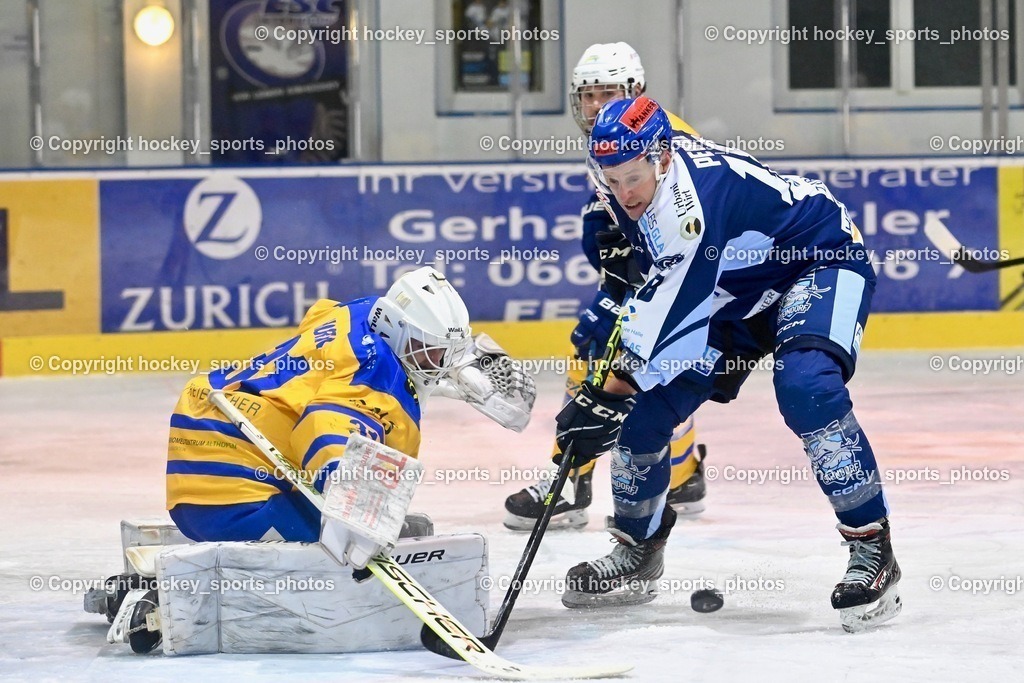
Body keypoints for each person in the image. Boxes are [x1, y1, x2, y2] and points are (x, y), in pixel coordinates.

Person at [554, 96, 901, 633]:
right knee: (642, 420)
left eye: (633, 178)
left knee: (807, 388)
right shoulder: (620, 194)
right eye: (611, 179)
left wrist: (603, 395)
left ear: (662, 158)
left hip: (814, 259)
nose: (625, 195)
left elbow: (666, 318)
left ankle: (872, 548)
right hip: (730, 288)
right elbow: (636, 294)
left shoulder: (690, 206)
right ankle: (637, 549)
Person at [167, 266, 535, 543]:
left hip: (210, 415)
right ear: (397, 329)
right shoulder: (375, 378)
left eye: (446, 354)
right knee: (329, 552)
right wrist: (356, 515)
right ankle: (157, 599)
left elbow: (318, 315)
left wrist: (463, 368)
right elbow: (327, 428)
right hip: (227, 480)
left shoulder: (360, 312)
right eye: (430, 353)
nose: (437, 365)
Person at [503, 42, 710, 531]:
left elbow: (685, 235)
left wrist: (621, 297)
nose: (596, 105)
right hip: (683, 270)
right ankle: (683, 475)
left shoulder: (662, 142)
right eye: (589, 95)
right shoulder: (619, 135)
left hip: (696, 272)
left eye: (608, 93)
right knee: (663, 371)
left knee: (601, 354)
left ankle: (569, 480)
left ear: (635, 91)